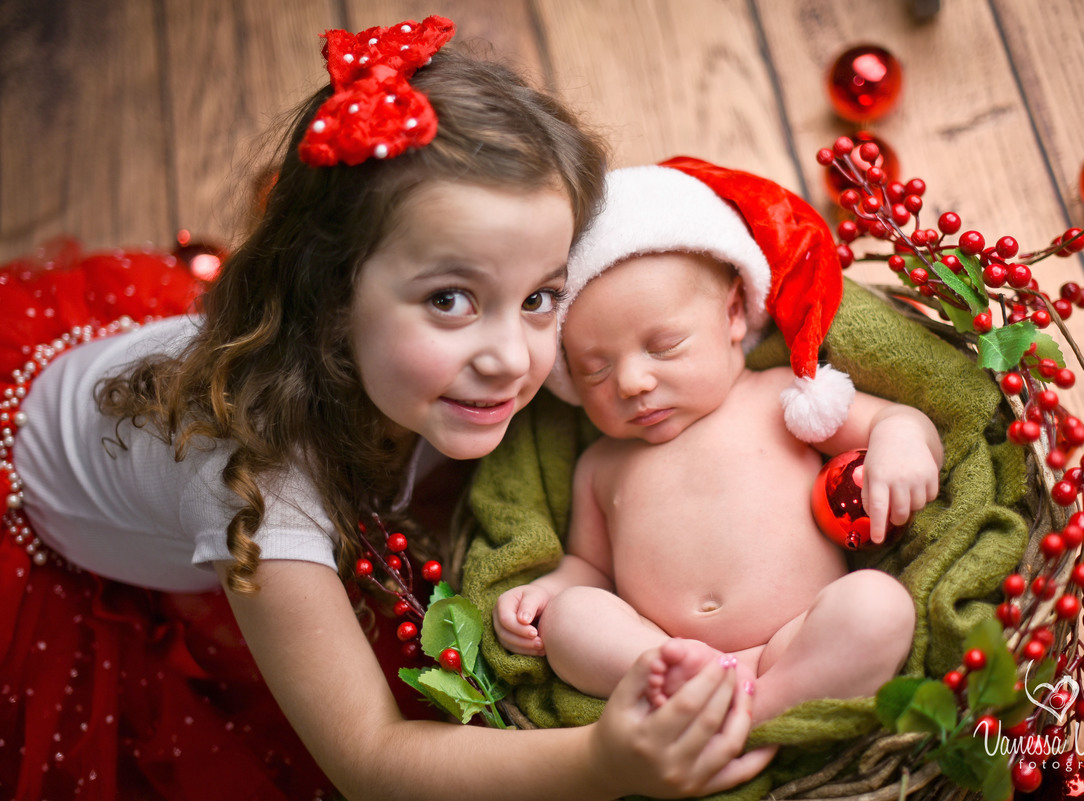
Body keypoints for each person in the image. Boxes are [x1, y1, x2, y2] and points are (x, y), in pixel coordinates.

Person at [0, 20, 771, 801]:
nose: (512, 357)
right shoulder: (254, 485)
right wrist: (600, 761)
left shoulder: (431, 369)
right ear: (330, 294)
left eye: (539, 296)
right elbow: (368, 758)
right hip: (45, 535)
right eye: (450, 298)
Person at [493, 160, 944, 723]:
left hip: (793, 639)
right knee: (573, 619)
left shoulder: (783, 397)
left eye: (663, 346)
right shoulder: (600, 464)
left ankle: (759, 710)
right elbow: (592, 568)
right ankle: (700, 696)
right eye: (595, 370)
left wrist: (900, 439)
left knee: (879, 606)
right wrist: (550, 590)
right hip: (667, 658)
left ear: (733, 314)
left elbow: (899, 421)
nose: (632, 382)